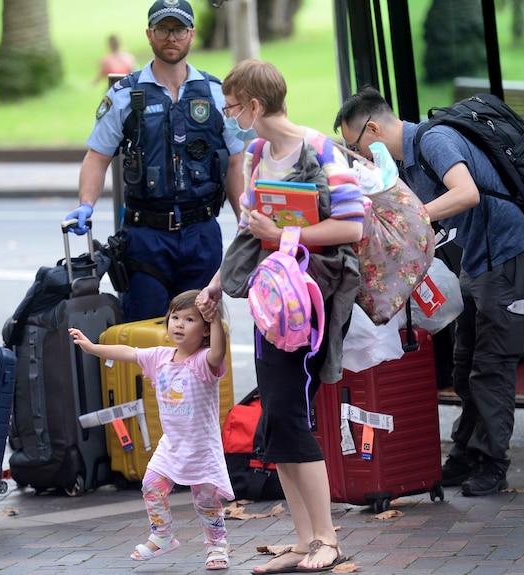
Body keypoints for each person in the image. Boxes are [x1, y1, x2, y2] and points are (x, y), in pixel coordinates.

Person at [198, 60, 365, 573]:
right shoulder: (255, 154)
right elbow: (251, 233)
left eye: (231, 106)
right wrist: (214, 285)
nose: (227, 115)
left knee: (292, 418)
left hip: (309, 307)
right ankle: (303, 539)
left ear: (254, 105)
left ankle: (327, 539)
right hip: (273, 305)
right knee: (275, 421)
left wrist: (280, 234)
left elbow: (352, 227)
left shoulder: (319, 149)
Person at [333, 87, 524, 497]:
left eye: (356, 145)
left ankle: (493, 463)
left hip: (507, 256)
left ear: (372, 128)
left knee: (492, 367)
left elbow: (467, 193)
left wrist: (415, 216)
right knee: (464, 365)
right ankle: (465, 453)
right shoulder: (404, 163)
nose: (360, 154)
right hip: (476, 261)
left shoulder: (433, 140)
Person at [65, 0, 245, 323]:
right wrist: (86, 204)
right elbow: (97, 157)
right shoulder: (124, 96)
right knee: (146, 334)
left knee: (201, 334)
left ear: (191, 34)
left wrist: (244, 218)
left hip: (201, 233)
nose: (171, 37)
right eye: (163, 29)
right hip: (145, 237)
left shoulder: (217, 95)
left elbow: (235, 162)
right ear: (149, 34)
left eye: (178, 30)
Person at [69, 289, 233, 570]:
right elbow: (128, 352)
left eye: (190, 320)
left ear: (206, 330)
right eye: (175, 317)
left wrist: (215, 317)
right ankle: (162, 536)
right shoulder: (160, 357)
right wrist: (93, 348)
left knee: (205, 500)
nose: (179, 324)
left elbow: (218, 352)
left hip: (201, 448)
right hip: (171, 445)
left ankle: (217, 544)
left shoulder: (204, 362)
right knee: (151, 486)